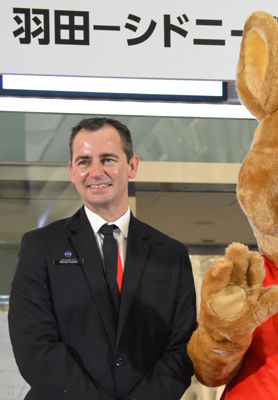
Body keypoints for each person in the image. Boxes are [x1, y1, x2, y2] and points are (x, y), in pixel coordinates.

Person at [8, 117, 197, 400]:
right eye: (84, 162)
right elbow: (33, 344)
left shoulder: (171, 254)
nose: (95, 172)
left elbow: (182, 347)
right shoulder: (41, 247)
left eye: (108, 159)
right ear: (72, 171)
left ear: (132, 166)